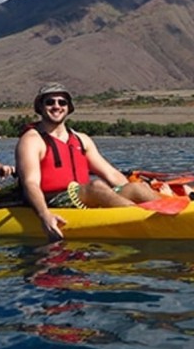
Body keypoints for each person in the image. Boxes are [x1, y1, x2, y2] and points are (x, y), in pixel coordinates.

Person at [15, 83, 162, 241]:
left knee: (137, 188)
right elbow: (30, 183)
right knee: (96, 186)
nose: (56, 106)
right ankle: (145, 222)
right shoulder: (31, 140)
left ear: (68, 107)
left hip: (86, 196)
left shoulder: (81, 139)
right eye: (50, 102)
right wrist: (44, 215)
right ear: (40, 107)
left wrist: (129, 188)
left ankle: (171, 213)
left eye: (62, 102)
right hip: (52, 199)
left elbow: (110, 174)